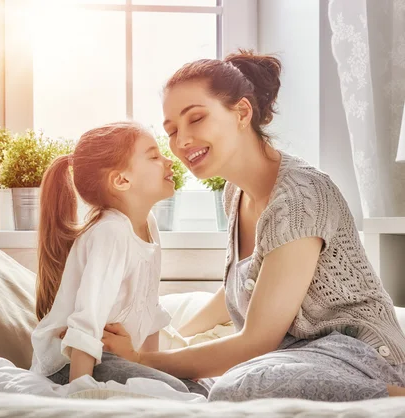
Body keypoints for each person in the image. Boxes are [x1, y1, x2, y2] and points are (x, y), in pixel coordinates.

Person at [99, 50, 405, 401]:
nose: (181, 141)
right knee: (112, 372)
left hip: (359, 356)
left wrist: (144, 358)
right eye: (171, 130)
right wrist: (168, 341)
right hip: (285, 360)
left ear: (242, 112)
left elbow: (258, 339)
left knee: (236, 386)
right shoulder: (235, 192)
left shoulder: (299, 197)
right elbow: (242, 291)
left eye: (195, 119)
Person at [30, 121, 208, 395]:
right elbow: (85, 323)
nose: (168, 161)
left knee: (196, 389)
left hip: (108, 357)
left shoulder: (147, 223)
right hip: (69, 363)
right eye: (153, 156)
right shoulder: (110, 232)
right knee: (176, 391)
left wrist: (153, 369)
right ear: (122, 180)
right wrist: (80, 392)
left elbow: (149, 308)